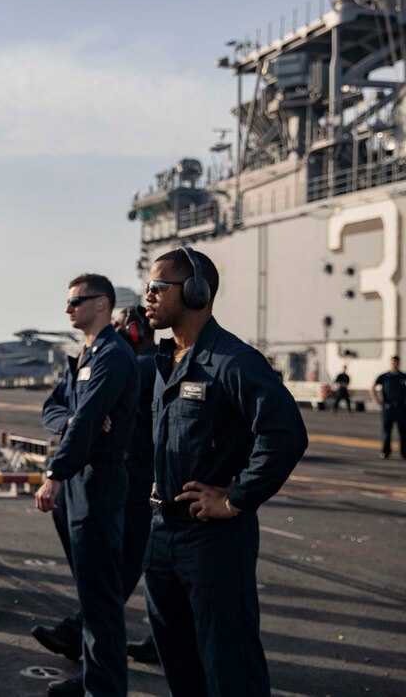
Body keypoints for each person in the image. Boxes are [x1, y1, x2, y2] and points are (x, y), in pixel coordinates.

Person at [142, 247, 307, 697]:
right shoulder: (167, 362)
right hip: (161, 534)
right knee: (179, 665)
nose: (148, 297)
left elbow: (285, 433)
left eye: (159, 287)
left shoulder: (232, 360)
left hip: (212, 541)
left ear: (196, 292)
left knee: (230, 668)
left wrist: (235, 499)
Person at [32, 305, 159, 670]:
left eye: (119, 325)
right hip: (99, 471)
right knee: (106, 573)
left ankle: (90, 652)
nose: (113, 331)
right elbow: (54, 407)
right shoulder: (100, 359)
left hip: (132, 474)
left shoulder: (139, 363)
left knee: (116, 570)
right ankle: (88, 644)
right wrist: (76, 416)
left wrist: (87, 409)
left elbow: (90, 406)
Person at [372, 355, 406, 459]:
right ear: (390, 363)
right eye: (392, 362)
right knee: (386, 432)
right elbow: (372, 387)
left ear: (399, 363)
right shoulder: (384, 376)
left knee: (403, 432)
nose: (394, 364)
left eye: (396, 362)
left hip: (401, 408)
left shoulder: (403, 376)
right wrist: (377, 400)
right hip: (388, 408)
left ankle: (404, 453)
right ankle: (385, 452)